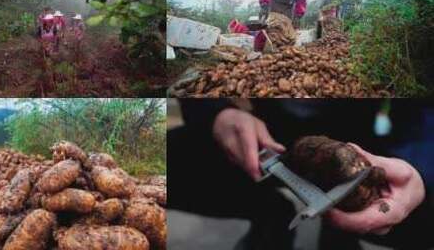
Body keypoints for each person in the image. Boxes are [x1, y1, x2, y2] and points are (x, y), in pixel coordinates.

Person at [168, 100, 432, 250]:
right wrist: (217, 112)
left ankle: (339, 236)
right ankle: (271, 214)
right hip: (267, 133)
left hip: (353, 141)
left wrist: (418, 170)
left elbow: (424, 115)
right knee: (168, 160)